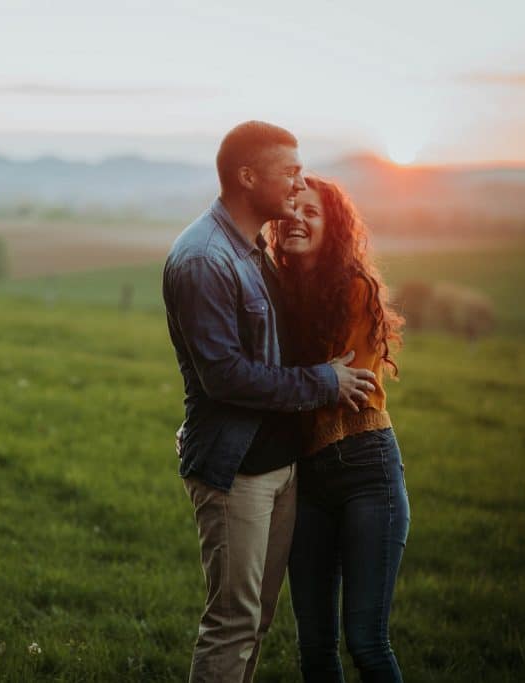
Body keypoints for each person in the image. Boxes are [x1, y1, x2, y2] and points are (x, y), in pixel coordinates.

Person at [162, 121, 377, 683]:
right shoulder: (205, 259)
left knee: (257, 622)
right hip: (238, 471)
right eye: (290, 171)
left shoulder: (254, 248)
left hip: (278, 467)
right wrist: (323, 382)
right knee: (233, 622)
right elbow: (226, 377)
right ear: (247, 176)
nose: (299, 182)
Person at [266, 176, 410, 682]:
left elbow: (343, 380)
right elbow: (314, 381)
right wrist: (309, 382)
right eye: (289, 209)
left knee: (367, 641)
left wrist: (290, 383)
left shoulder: (353, 288)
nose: (297, 219)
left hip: (365, 469)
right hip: (305, 481)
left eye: (312, 211)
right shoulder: (275, 293)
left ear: (335, 227)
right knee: (314, 646)